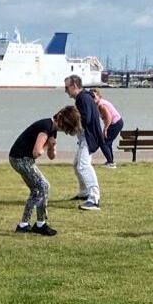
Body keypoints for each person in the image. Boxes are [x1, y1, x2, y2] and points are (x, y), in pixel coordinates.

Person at [9, 105, 82, 236]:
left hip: (21, 158)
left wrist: (52, 147)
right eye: (66, 127)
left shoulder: (52, 130)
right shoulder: (46, 127)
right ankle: (40, 224)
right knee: (44, 186)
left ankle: (24, 225)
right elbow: (37, 152)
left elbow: (51, 156)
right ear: (61, 120)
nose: (64, 130)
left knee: (36, 190)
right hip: (20, 159)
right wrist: (48, 144)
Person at [64, 75, 102, 210]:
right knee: (77, 164)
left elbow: (86, 119)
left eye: (67, 87)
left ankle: (94, 199)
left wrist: (70, 124)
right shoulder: (83, 98)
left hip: (88, 137)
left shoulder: (82, 98)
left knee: (83, 166)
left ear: (74, 85)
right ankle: (84, 192)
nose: (65, 91)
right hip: (86, 137)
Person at [90, 87, 125, 168]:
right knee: (108, 143)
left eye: (94, 96)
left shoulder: (101, 105)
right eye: (91, 97)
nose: (93, 98)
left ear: (99, 96)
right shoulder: (99, 104)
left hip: (115, 123)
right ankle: (111, 161)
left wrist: (105, 129)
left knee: (103, 143)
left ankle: (110, 163)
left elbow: (109, 117)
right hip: (116, 123)